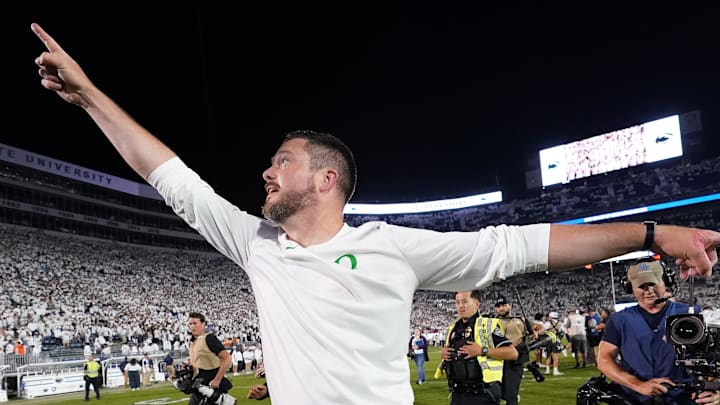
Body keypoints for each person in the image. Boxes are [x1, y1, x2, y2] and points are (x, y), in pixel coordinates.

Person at [31, 22, 720, 405]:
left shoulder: (391, 244)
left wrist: (656, 233)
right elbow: (171, 177)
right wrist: (91, 95)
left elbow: (524, 246)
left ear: (326, 178)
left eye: (282, 159)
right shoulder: (257, 243)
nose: (265, 171)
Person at [597, 260, 720, 404]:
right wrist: (638, 385)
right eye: (641, 286)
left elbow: (715, 358)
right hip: (635, 399)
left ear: (665, 282)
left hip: (685, 398)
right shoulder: (618, 320)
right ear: (630, 288)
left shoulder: (692, 314)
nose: (648, 291)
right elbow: (604, 360)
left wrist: (715, 388)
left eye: (653, 284)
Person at [442, 290, 518, 405]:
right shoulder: (453, 328)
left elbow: (512, 353)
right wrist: (444, 354)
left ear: (477, 304)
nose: (461, 306)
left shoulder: (487, 325)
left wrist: (482, 350)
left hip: (483, 393)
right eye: (457, 302)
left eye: (464, 301)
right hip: (458, 393)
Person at [495, 297, 535, 405]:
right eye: (498, 307)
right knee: (496, 393)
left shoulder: (521, 319)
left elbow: (539, 329)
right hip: (498, 360)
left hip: (516, 360)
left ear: (510, 306)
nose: (501, 308)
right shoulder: (493, 322)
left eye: (503, 305)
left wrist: (534, 333)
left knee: (510, 395)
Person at [186, 312, 233, 405]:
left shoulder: (209, 338)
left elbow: (227, 358)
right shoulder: (192, 342)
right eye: (190, 324)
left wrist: (217, 380)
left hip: (212, 386)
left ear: (203, 324)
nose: (192, 326)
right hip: (199, 385)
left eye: (195, 323)